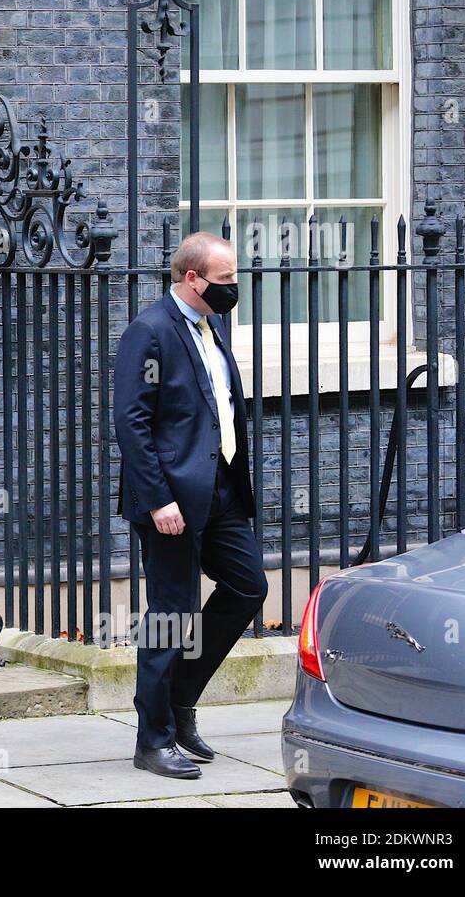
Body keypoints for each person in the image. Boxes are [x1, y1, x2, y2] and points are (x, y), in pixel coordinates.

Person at [113, 232, 268, 779]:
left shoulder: (210, 325)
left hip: (220, 488)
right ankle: (152, 739)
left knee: (250, 585)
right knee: (172, 615)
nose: (234, 289)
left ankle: (179, 703)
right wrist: (158, 500)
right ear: (191, 278)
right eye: (225, 280)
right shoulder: (149, 331)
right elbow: (130, 422)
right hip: (171, 499)